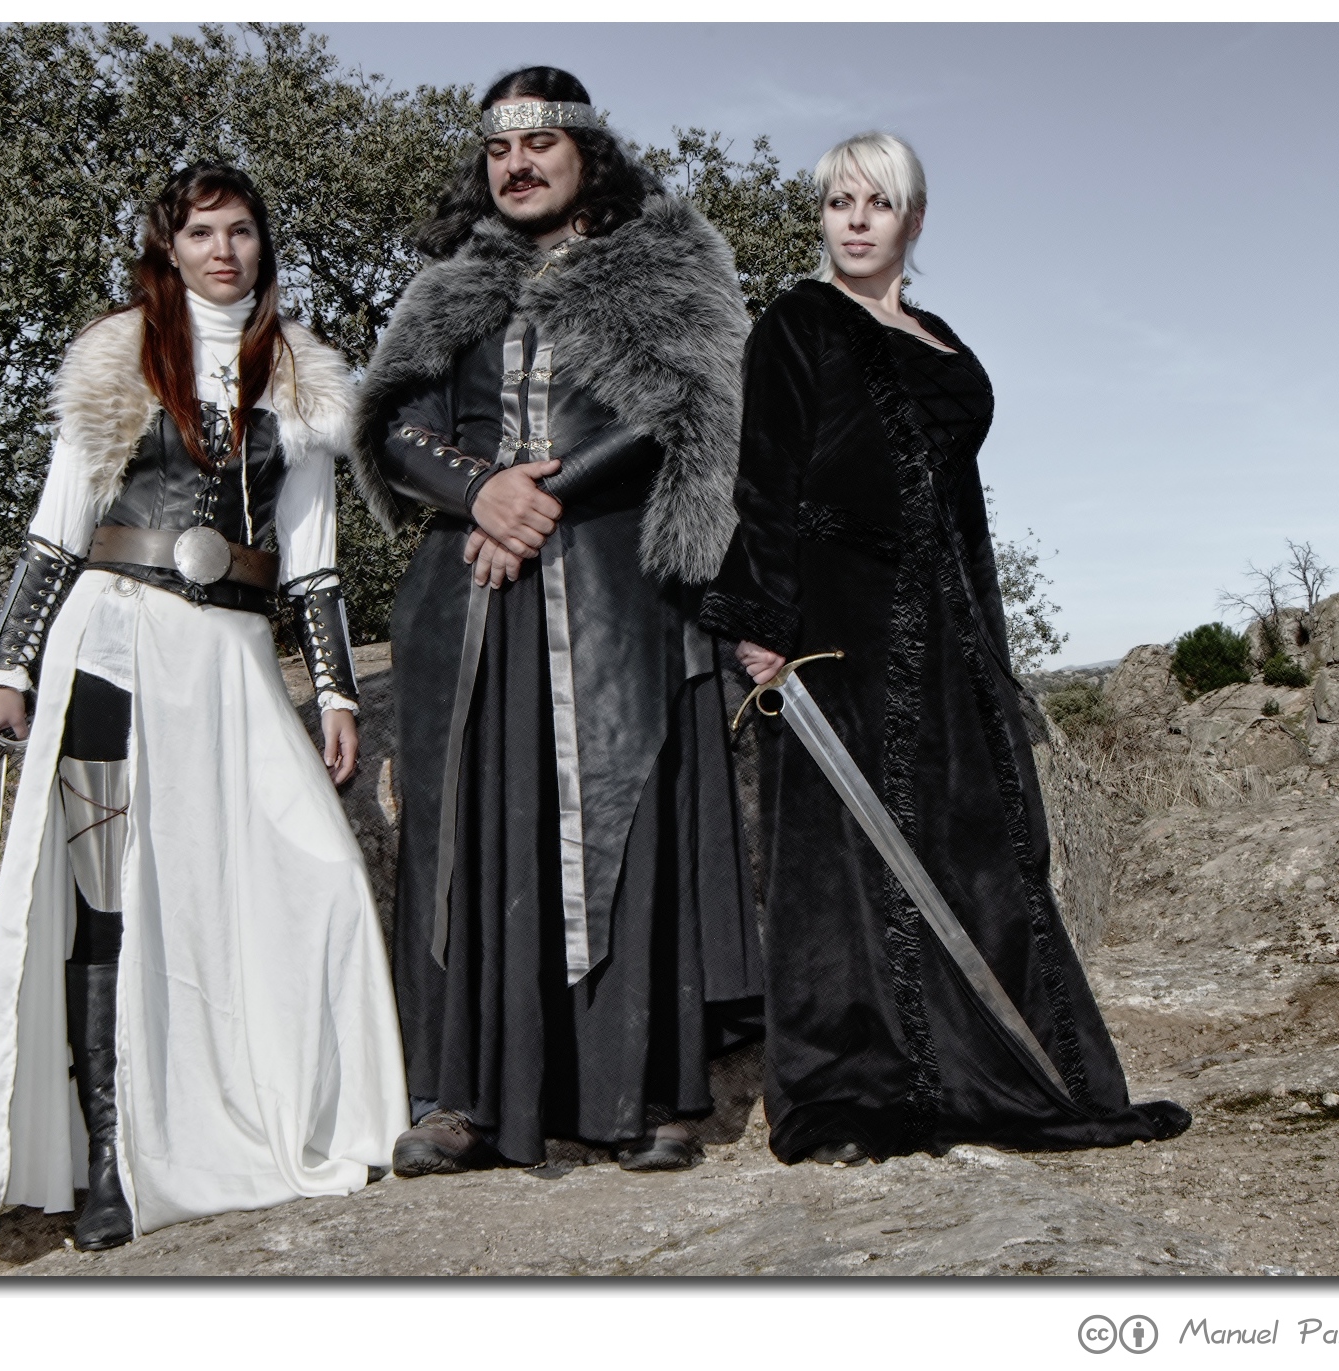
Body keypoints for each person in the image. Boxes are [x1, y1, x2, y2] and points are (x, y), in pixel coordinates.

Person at [0, 163, 409, 1250]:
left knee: (322, 876)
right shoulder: (115, 358)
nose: (223, 250)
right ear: (167, 247)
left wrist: (333, 687)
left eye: (241, 230)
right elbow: (60, 522)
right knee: (107, 898)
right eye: (201, 232)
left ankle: (297, 1116)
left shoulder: (301, 380)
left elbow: (312, 561)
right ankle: (110, 1164)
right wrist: (8, 664)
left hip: (234, 654)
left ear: (263, 246)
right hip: (114, 641)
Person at [698, 132, 1190, 1165]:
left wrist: (990, 653)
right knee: (839, 867)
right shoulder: (795, 321)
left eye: (877, 202)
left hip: (942, 623)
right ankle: (849, 1091)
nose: (855, 219)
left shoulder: (941, 339)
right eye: (838, 202)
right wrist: (762, 623)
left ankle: (1012, 1074)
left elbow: (963, 514)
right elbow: (765, 476)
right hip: (835, 624)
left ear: (912, 219)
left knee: (975, 847)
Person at [350, 67, 762, 1175]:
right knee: (466, 836)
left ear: (587, 153)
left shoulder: (669, 265)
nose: (516, 163)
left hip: (615, 593)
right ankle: (462, 1101)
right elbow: (390, 425)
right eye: (497, 148)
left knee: (621, 821)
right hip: (468, 597)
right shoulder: (449, 287)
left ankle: (642, 1098)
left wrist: (542, 493)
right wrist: (480, 491)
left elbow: (681, 404)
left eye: (539, 142)